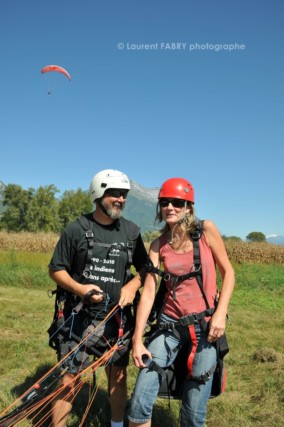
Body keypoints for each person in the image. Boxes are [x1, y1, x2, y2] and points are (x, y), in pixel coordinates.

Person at [127, 177, 235, 427]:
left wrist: (220, 313)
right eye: (165, 203)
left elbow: (228, 273)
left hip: (205, 328)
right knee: (140, 399)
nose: (170, 208)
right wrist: (137, 340)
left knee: (194, 408)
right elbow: (150, 292)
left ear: (189, 206)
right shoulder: (158, 245)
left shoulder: (206, 231)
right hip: (169, 326)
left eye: (177, 202)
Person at [48, 169, 147, 427]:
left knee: (117, 375)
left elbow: (147, 269)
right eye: (115, 194)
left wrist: (133, 285)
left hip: (117, 320)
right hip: (78, 318)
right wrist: (80, 289)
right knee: (70, 377)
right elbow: (56, 269)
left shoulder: (132, 232)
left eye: (124, 195)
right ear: (98, 194)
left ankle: (116, 425)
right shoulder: (76, 229)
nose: (121, 200)